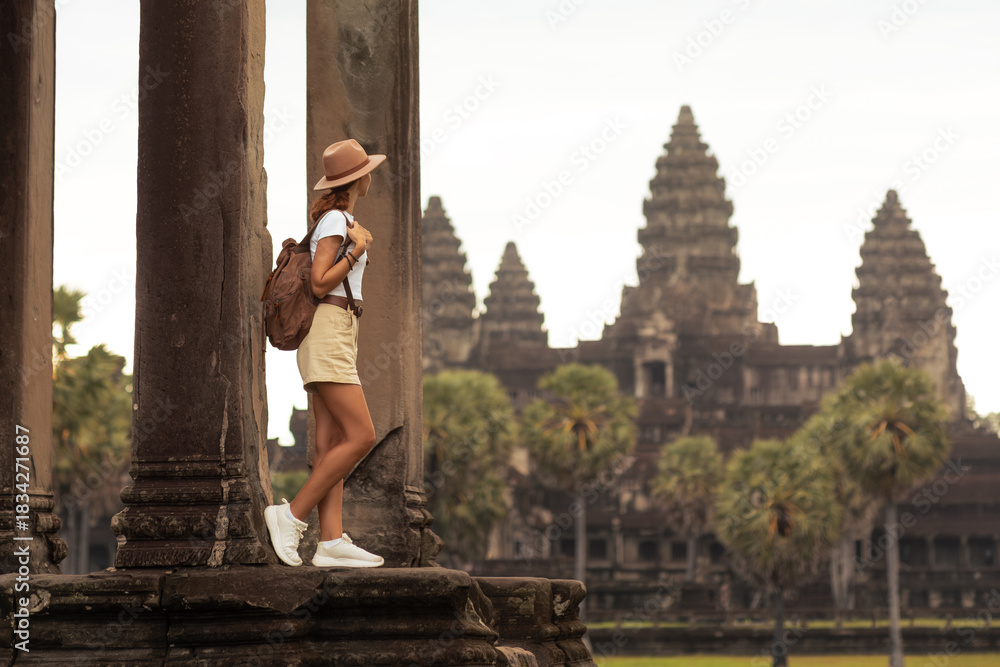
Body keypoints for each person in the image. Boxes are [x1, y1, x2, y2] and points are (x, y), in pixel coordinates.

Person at [263, 139, 385, 568]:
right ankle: (291, 515)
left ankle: (330, 542)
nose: (372, 175)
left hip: (338, 330)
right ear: (358, 178)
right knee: (362, 435)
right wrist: (356, 252)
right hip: (329, 331)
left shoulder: (339, 218)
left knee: (330, 441)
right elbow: (318, 283)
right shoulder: (337, 219)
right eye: (368, 170)